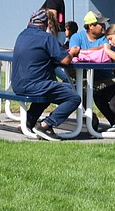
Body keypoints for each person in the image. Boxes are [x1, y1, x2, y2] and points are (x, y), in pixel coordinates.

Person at [10, 9, 79, 140]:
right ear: (46, 23)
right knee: (73, 97)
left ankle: (28, 122)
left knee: (47, 93)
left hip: (17, 84)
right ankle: (46, 125)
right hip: (35, 85)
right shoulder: (46, 37)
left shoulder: (22, 35)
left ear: (30, 22)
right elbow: (65, 60)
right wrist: (73, 52)